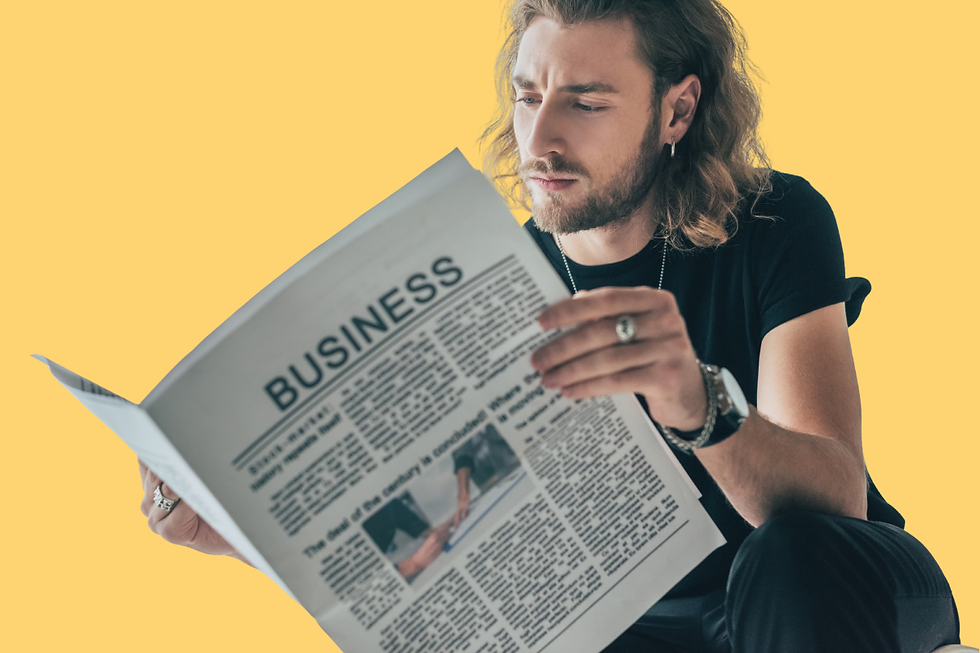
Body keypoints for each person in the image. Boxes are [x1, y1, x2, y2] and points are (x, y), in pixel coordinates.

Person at [140, 0, 961, 650]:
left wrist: (697, 404)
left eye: (586, 102)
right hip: (640, 624)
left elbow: (834, 499)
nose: (540, 138)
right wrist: (249, 538)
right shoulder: (499, 278)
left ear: (677, 111)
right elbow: (437, 529)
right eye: (527, 96)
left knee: (787, 559)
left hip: (836, 592)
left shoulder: (775, 221)